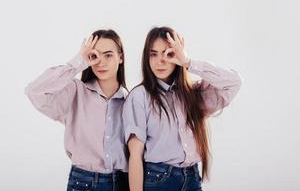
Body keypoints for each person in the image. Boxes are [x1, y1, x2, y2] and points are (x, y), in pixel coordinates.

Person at [123, 26, 242, 191]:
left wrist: (188, 62)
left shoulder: (193, 94)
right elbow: (135, 155)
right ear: (146, 58)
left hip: (191, 178)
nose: (160, 61)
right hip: (159, 180)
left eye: (168, 54)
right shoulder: (140, 96)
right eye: (153, 54)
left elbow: (234, 82)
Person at [25, 29, 130, 191]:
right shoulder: (75, 91)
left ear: (120, 57)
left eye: (108, 55)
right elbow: (34, 91)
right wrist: (79, 62)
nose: (101, 62)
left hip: (124, 182)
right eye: (95, 56)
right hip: (84, 182)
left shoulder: (131, 100)